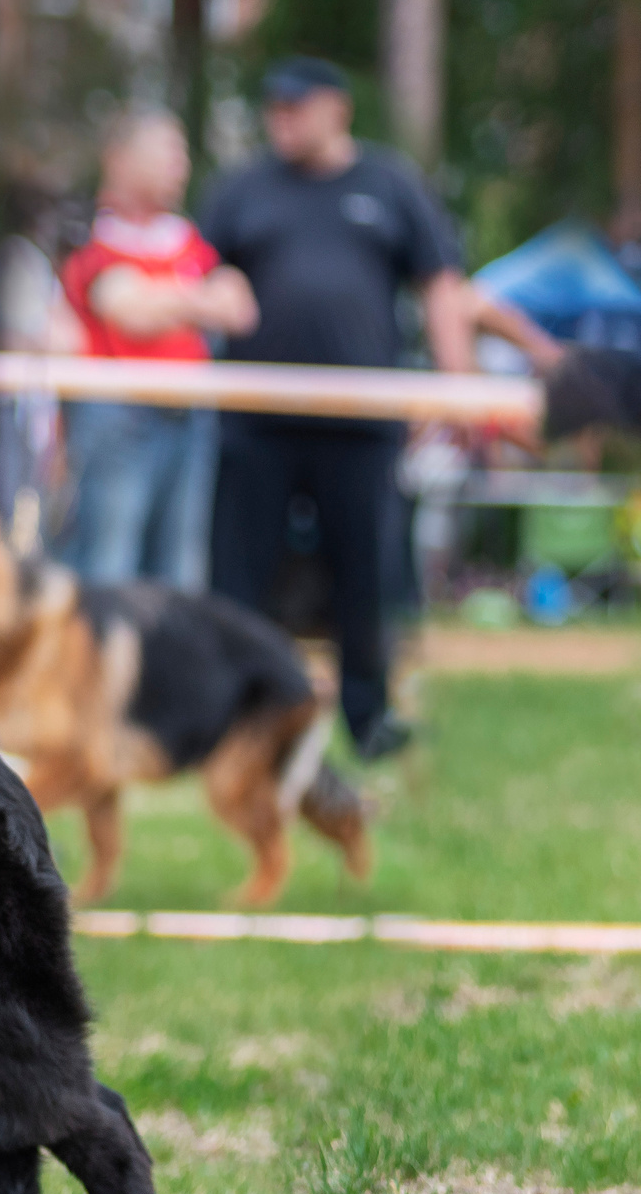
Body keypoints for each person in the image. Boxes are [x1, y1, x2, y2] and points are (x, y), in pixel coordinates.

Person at [199, 57, 474, 761]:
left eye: (296, 106)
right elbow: (194, 272)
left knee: (366, 575)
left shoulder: (390, 184)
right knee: (239, 576)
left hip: (362, 420)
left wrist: (459, 387)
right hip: (257, 417)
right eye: (274, 107)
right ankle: (236, 718)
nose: (282, 119)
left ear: (337, 109)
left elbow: (441, 284)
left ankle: (369, 716)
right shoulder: (242, 190)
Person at [54, 109, 258, 590]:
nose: (179, 166)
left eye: (181, 154)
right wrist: (198, 299)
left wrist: (161, 296)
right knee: (109, 564)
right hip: (118, 419)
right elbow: (128, 312)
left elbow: (240, 308)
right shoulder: (90, 235)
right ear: (120, 159)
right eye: (166, 152)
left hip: (188, 414)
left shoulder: (185, 238)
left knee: (182, 566)